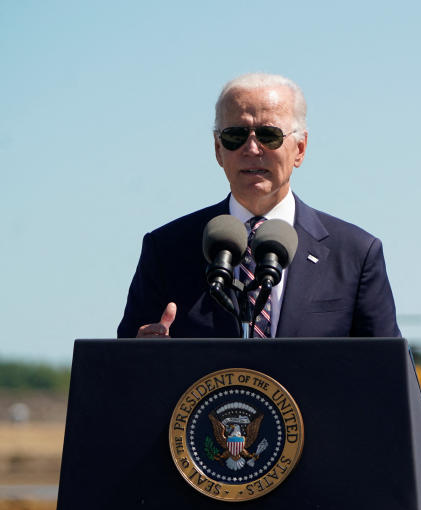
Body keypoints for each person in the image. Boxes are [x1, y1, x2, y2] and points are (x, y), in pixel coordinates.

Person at [117, 73, 400, 339]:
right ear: (218, 150)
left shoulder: (356, 254)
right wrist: (144, 356)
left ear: (300, 149)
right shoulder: (166, 251)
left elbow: (389, 377)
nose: (252, 149)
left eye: (269, 135)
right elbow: (120, 371)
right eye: (235, 136)